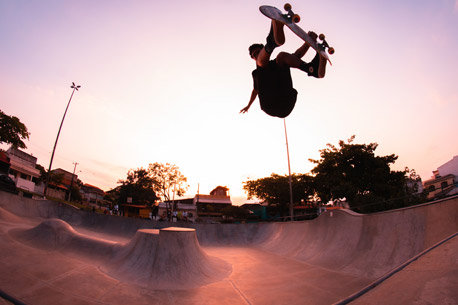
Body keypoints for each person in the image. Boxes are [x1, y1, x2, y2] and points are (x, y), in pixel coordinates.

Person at [240, 20, 328, 118]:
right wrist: (248, 105)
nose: (256, 56)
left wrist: (308, 41)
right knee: (261, 67)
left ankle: (312, 69)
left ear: (262, 50)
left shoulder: (278, 62)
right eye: (254, 55)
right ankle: (271, 43)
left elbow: (297, 55)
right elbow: (255, 91)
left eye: (257, 52)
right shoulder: (256, 73)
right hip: (270, 105)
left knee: (282, 56)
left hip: (286, 101)